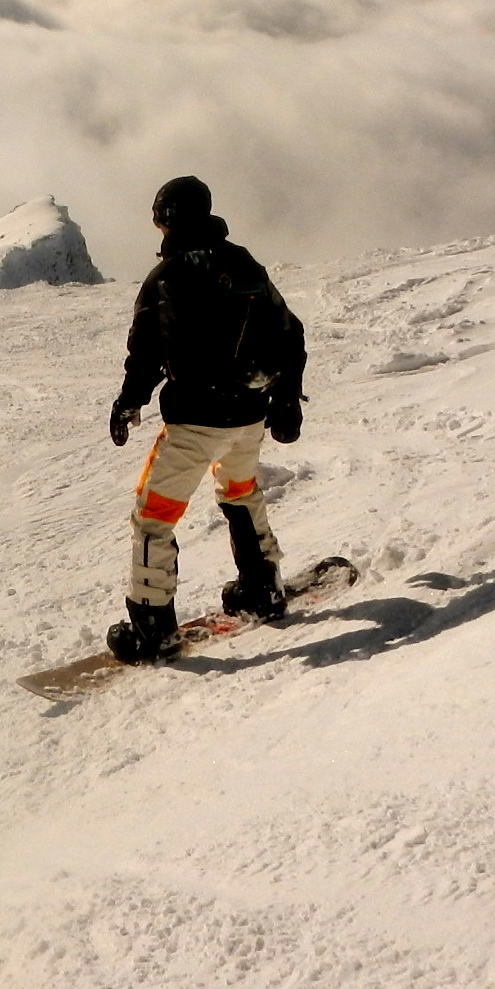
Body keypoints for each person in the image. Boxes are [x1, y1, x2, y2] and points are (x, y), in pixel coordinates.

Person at [104, 176, 308, 664]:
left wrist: (128, 403)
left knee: (153, 518)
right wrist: (286, 398)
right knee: (240, 493)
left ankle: (152, 628)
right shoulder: (244, 263)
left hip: (195, 422)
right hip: (249, 416)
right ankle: (262, 588)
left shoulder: (167, 276)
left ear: (167, 219)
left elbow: (146, 353)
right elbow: (289, 332)